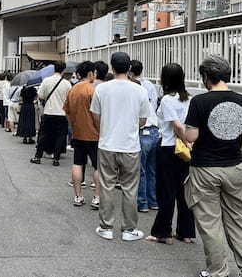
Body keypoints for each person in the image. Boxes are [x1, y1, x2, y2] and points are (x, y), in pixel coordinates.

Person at [184, 55, 242, 277]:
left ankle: (218, 271)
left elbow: (191, 135)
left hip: (205, 168)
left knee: (210, 222)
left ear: (207, 77)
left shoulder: (199, 102)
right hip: (234, 167)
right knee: (238, 219)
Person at [90, 52, 151, 241]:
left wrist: (107, 127)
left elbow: (95, 116)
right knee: (130, 188)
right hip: (131, 145)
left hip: (107, 143)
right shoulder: (140, 90)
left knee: (107, 185)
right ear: (130, 68)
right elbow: (143, 120)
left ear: (112, 67)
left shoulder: (102, 89)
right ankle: (129, 229)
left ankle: (106, 227)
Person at [145, 63, 195, 245]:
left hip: (169, 148)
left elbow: (177, 125)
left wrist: (185, 141)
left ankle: (162, 233)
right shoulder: (189, 98)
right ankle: (187, 232)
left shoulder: (167, 100)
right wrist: (190, 144)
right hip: (186, 152)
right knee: (184, 191)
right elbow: (188, 124)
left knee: (166, 191)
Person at [64, 61, 100, 209]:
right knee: (98, 166)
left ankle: (78, 196)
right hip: (94, 134)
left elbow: (67, 111)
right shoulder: (92, 91)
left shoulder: (72, 90)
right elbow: (97, 113)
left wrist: (73, 124)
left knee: (78, 163)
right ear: (91, 73)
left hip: (77, 133)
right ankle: (97, 197)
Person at [129, 60, 160, 213]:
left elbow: (138, 120)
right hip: (155, 132)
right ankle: (153, 201)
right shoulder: (148, 88)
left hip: (143, 133)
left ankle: (142, 203)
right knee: (152, 169)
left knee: (140, 171)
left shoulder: (134, 96)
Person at [30, 61, 72, 167]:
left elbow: (40, 95)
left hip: (48, 112)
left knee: (43, 135)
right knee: (60, 136)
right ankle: (56, 159)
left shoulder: (46, 81)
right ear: (64, 70)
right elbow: (69, 99)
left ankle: (38, 157)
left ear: (54, 69)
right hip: (62, 114)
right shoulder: (67, 84)